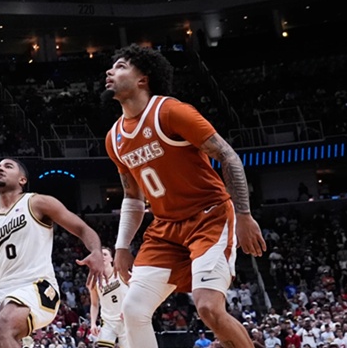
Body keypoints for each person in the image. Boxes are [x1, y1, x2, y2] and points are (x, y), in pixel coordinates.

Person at [103, 46, 266, 348]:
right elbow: (132, 196)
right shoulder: (114, 138)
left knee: (207, 308)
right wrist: (122, 246)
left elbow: (228, 157)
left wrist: (244, 215)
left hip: (209, 217)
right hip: (165, 229)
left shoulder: (170, 111)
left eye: (121, 66)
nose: (110, 72)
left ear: (143, 79)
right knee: (133, 309)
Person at [0, 159, 105, 348]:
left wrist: (96, 251)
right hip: (3, 292)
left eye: (8, 166)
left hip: (38, 287)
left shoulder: (37, 202)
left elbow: (82, 228)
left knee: (1, 327)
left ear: (22, 180)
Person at [89, 248, 128, 348]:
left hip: (125, 319)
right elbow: (94, 304)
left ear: (111, 259)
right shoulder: (93, 281)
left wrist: (130, 309)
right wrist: (93, 323)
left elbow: (136, 289)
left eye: (105, 254)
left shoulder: (121, 272)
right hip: (108, 321)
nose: (102, 257)